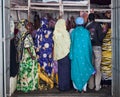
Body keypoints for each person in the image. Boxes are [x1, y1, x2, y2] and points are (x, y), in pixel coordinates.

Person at [69, 17, 95, 92]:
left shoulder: (73, 32)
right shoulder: (86, 32)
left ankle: (76, 88)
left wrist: (71, 54)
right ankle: (84, 88)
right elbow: (89, 45)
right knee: (84, 69)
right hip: (84, 55)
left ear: (76, 23)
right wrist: (89, 54)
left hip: (75, 55)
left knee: (75, 70)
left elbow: (71, 44)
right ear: (83, 23)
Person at [86, 13, 108, 91]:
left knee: (91, 66)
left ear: (88, 19)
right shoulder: (97, 25)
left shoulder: (86, 27)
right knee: (97, 67)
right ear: (94, 18)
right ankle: (97, 86)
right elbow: (100, 37)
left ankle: (91, 85)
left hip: (89, 48)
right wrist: (105, 30)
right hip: (97, 48)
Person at [15, 19, 38, 92]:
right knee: (28, 71)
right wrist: (32, 55)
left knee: (23, 71)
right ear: (24, 25)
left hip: (22, 55)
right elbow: (27, 46)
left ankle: (23, 86)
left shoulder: (20, 33)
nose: (29, 26)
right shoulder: (26, 34)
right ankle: (29, 87)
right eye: (28, 25)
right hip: (28, 56)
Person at [34, 16, 54, 90]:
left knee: (42, 66)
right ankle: (49, 82)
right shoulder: (50, 31)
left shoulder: (38, 30)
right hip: (48, 53)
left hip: (41, 53)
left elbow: (36, 42)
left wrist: (37, 50)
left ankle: (42, 82)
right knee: (48, 66)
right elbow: (52, 43)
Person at [53, 18, 71, 91]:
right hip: (65, 54)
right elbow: (68, 43)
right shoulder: (65, 32)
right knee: (66, 71)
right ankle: (66, 87)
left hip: (58, 55)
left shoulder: (55, 33)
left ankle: (61, 87)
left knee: (60, 71)